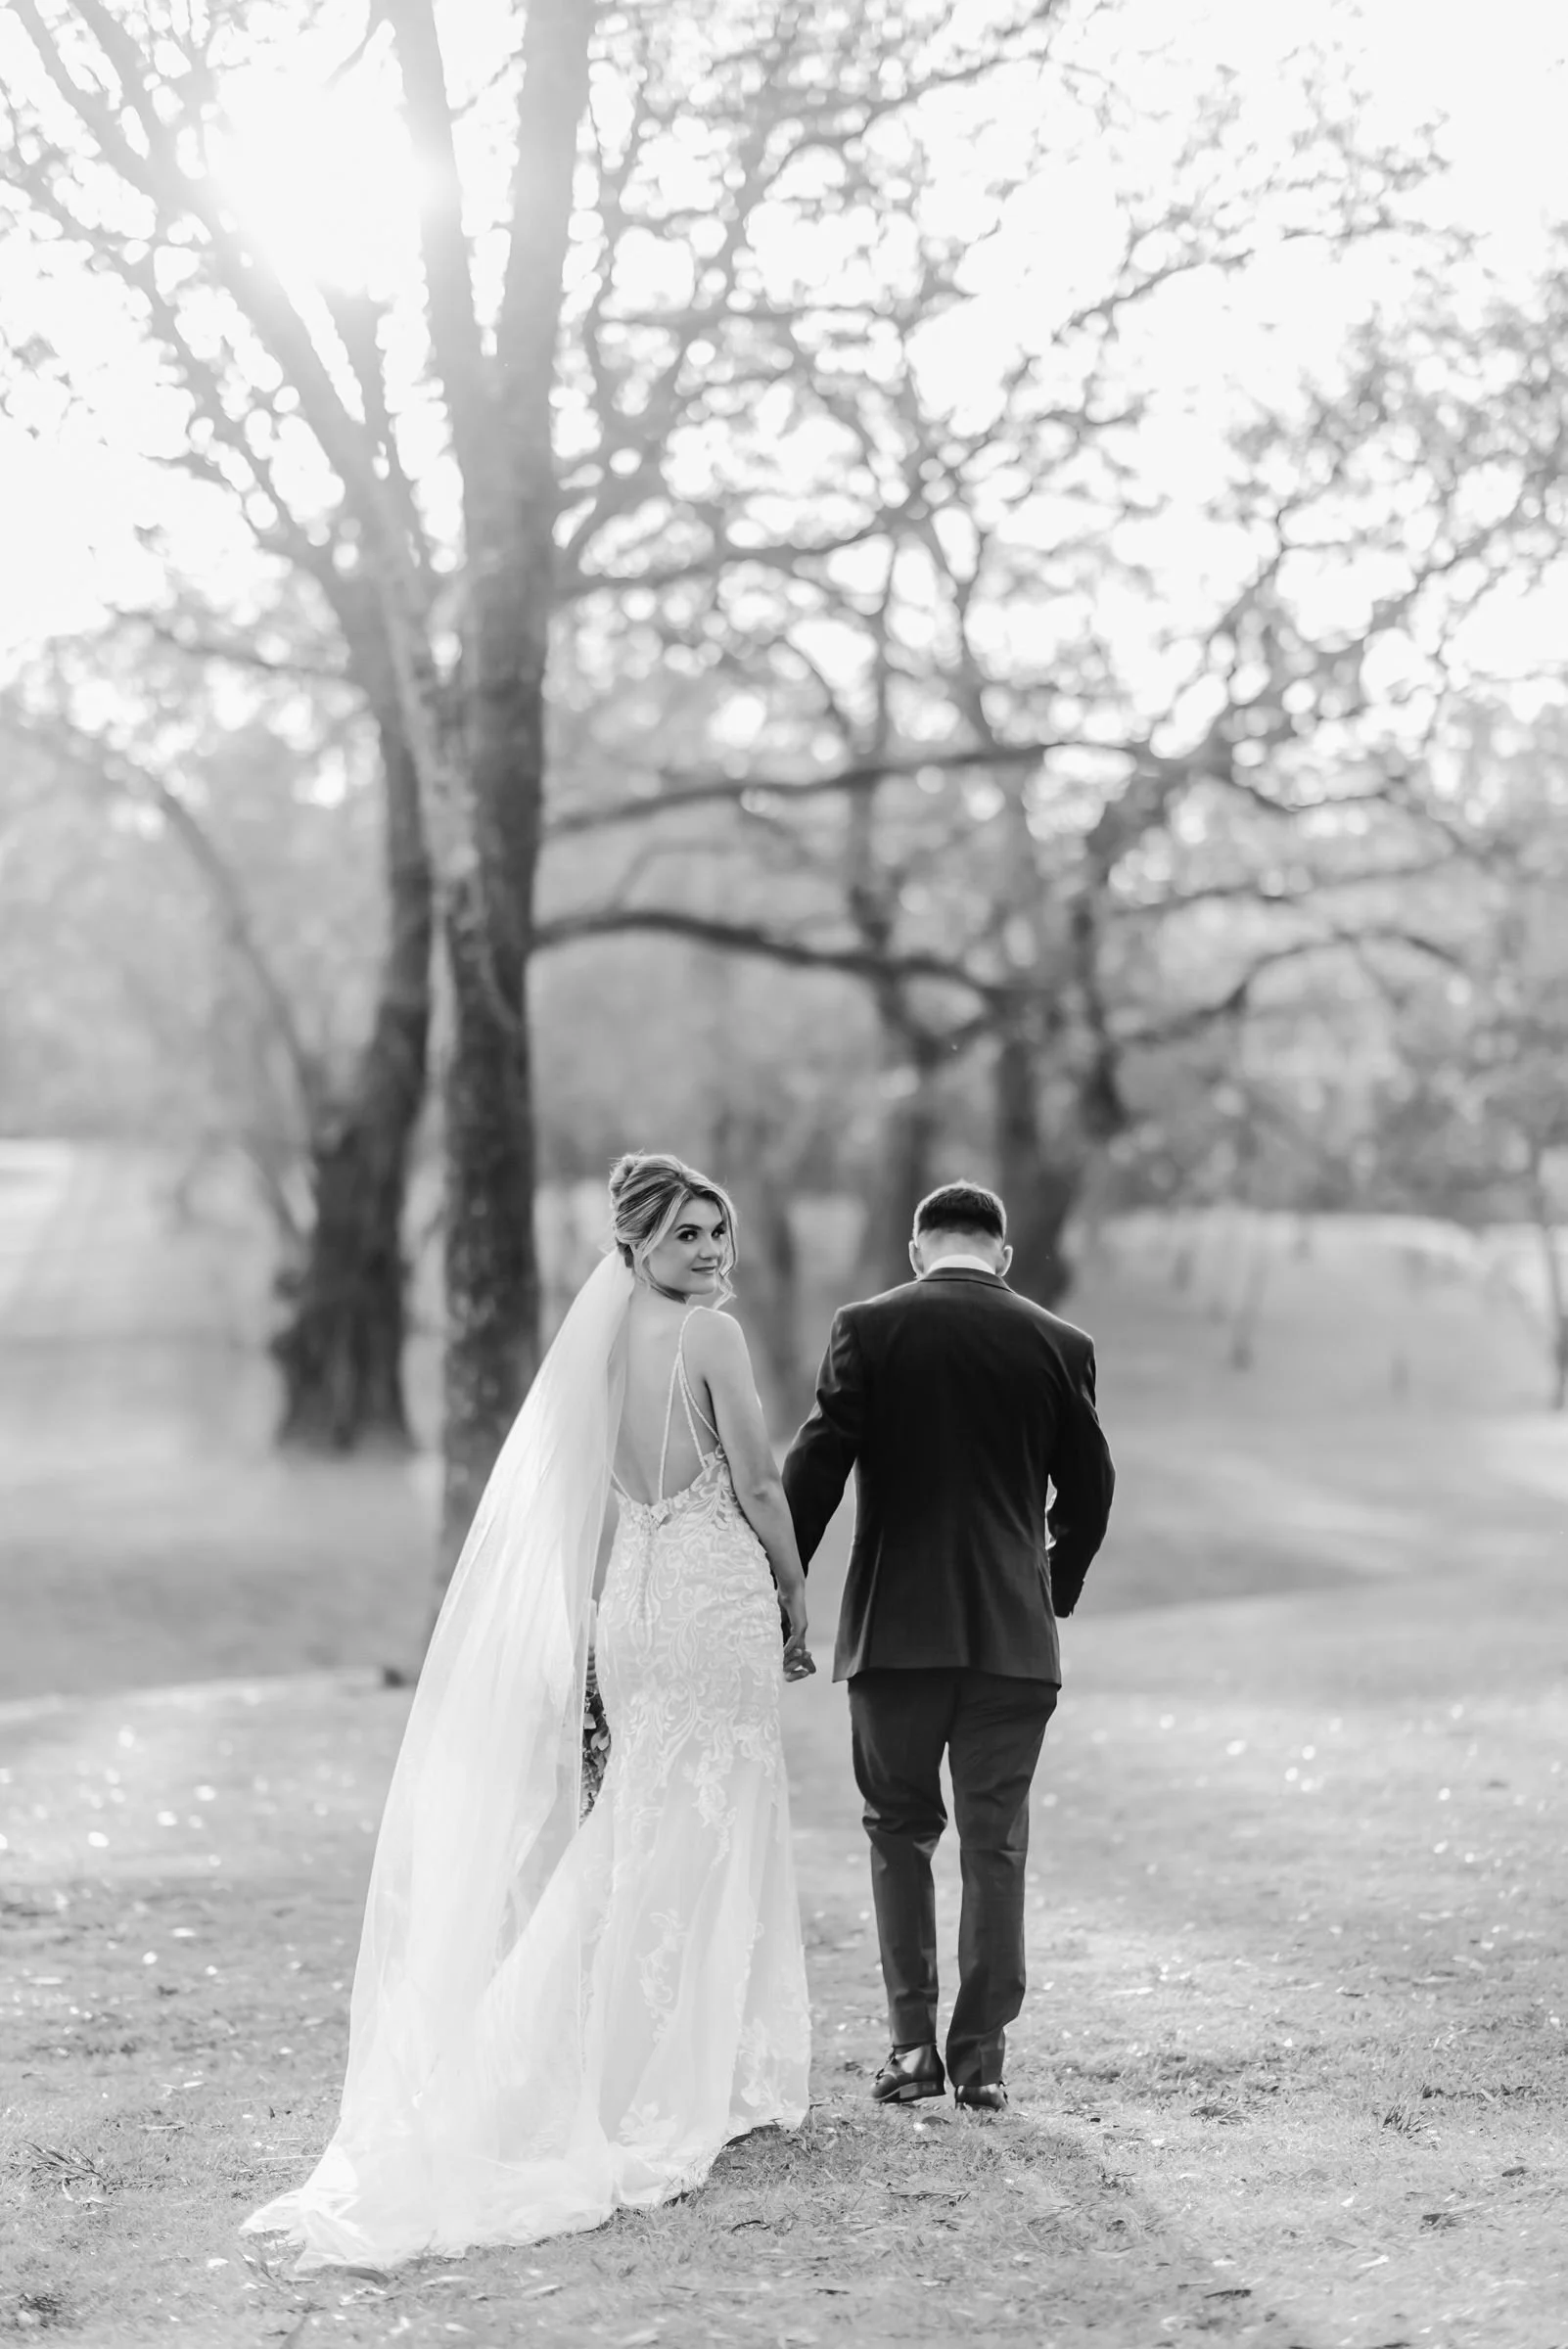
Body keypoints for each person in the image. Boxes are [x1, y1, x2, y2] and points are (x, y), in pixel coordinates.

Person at [244, 1153, 814, 2271]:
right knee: (707, 1820)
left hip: (636, 1606)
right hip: (710, 1598)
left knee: (647, 1818)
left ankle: (604, 2045)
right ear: (638, 1243)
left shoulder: (600, 1346)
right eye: (686, 1234)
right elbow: (755, 1483)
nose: (709, 1252)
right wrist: (796, 1588)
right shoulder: (711, 1339)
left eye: (717, 1232)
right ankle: (667, 2067)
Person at [782, 1179, 1114, 2113]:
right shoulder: (1061, 1344)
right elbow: (1091, 1491)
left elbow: (817, 1466)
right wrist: (1054, 1583)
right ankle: (982, 2060)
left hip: (894, 1635)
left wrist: (783, 1583)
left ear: (919, 1251)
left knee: (898, 1834)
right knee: (994, 1842)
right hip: (1014, 1636)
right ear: (1002, 1255)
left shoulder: (869, 1327)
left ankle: (910, 2050)